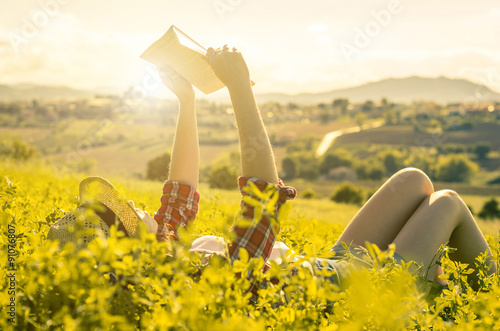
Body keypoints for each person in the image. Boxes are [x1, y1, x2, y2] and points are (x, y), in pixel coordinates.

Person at [48, 45, 496, 295]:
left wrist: (187, 100)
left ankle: (434, 279)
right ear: (130, 245)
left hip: (329, 267)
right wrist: (239, 88)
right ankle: (481, 302)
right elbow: (262, 195)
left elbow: (180, 188)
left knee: (412, 180)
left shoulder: (166, 250)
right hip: (363, 290)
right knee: (448, 204)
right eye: (125, 213)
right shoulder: (201, 276)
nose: (130, 203)